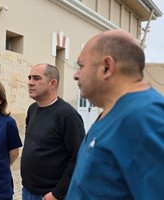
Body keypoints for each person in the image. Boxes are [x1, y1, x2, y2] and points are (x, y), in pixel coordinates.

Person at [66, 30, 164, 199]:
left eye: (81, 66)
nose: (75, 75)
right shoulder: (113, 112)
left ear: (107, 67)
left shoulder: (146, 117)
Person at [20, 63, 85, 200]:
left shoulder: (67, 115)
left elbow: (79, 158)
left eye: (36, 78)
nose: (30, 82)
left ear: (52, 83)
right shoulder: (32, 110)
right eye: (29, 77)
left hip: (50, 195)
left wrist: (58, 193)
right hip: (27, 191)